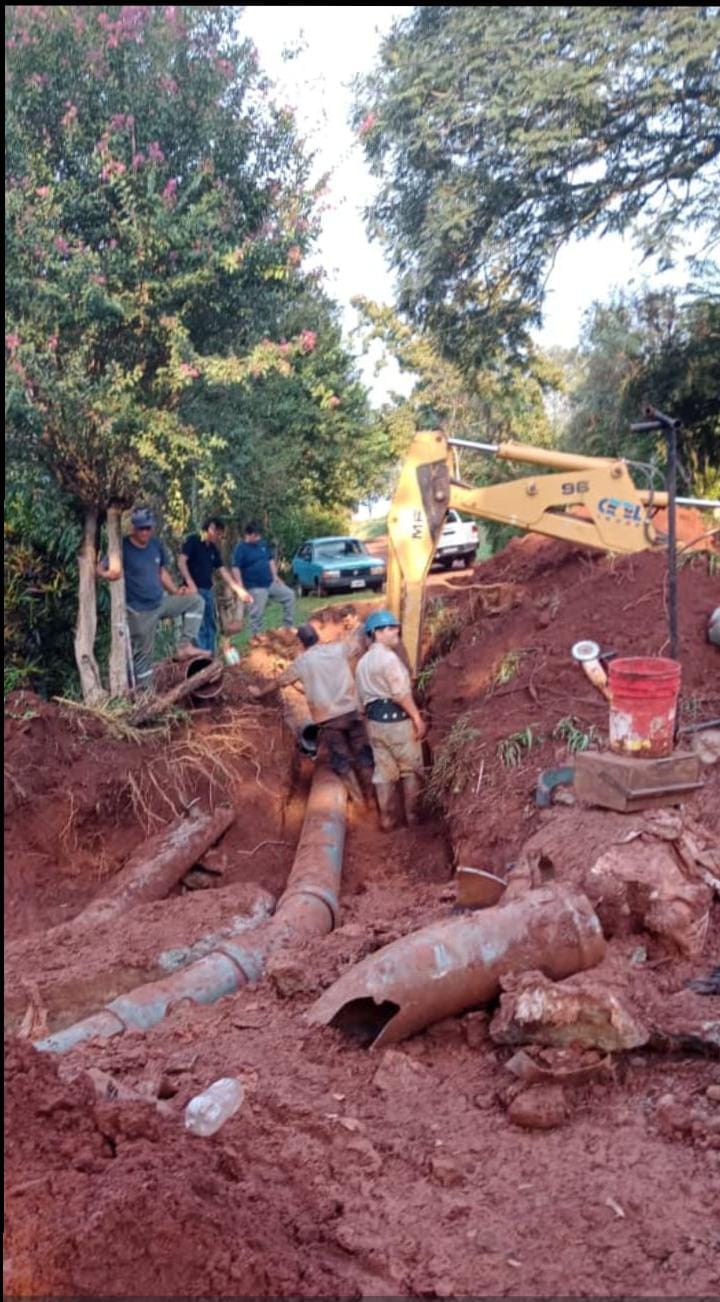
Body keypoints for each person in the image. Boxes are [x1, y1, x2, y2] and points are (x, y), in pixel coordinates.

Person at [249, 623, 373, 803]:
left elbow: (279, 682)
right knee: (363, 754)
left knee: (342, 761)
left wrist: (259, 692)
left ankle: (360, 802)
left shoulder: (302, 662)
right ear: (318, 637)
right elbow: (357, 646)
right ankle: (372, 799)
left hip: (329, 721)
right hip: (351, 712)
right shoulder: (338, 649)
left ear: (300, 643)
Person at [97, 507, 207, 692]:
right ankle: (146, 695)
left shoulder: (155, 545)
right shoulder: (122, 547)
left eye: (148, 528)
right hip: (139, 611)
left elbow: (161, 572)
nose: (145, 532)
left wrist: (175, 591)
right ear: (133, 527)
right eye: (142, 528)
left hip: (160, 602)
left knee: (196, 601)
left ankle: (185, 646)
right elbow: (100, 567)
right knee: (143, 655)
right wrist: (107, 574)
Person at [356, 609, 427, 830]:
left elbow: (360, 705)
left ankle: (387, 820)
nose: (396, 631)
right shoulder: (388, 659)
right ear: (376, 633)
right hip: (398, 723)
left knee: (384, 772)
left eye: (395, 626)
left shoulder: (362, 663)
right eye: (390, 628)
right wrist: (416, 717)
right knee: (411, 769)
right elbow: (400, 694)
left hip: (375, 724)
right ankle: (413, 820)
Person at [179, 517, 252, 654]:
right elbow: (181, 562)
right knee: (198, 627)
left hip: (207, 591)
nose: (219, 538)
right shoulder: (193, 541)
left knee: (211, 625)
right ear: (211, 528)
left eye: (221, 535)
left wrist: (239, 590)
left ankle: (210, 656)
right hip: (193, 593)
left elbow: (222, 570)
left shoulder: (212, 549)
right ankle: (201, 660)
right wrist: (190, 584)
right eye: (218, 534)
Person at [231, 522, 295, 637]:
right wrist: (240, 587)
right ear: (248, 535)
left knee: (289, 595)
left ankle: (287, 627)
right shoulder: (240, 549)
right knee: (257, 614)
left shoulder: (263, 545)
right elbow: (236, 568)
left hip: (270, 583)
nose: (258, 538)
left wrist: (275, 576)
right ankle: (255, 638)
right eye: (255, 536)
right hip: (255, 587)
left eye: (259, 535)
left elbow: (270, 560)